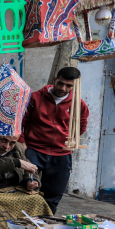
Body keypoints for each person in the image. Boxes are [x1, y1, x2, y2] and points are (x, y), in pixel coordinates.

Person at [21, 67, 89, 213]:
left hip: (62, 153)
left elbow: (81, 125)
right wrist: (22, 142)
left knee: (53, 195)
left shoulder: (79, 104)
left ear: (74, 86)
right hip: (34, 150)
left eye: (69, 85)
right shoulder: (35, 97)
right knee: (23, 187)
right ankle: (21, 222)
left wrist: (69, 140)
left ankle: (45, 225)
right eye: (61, 83)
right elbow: (22, 121)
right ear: (54, 80)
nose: (63, 88)